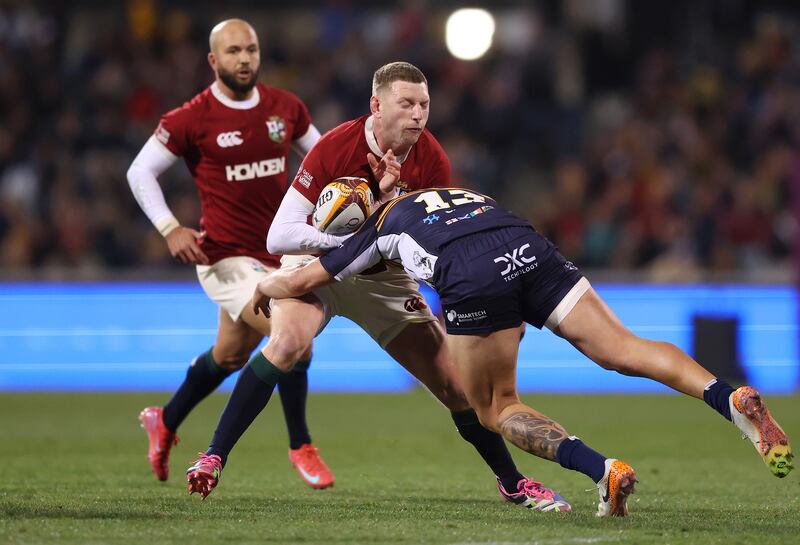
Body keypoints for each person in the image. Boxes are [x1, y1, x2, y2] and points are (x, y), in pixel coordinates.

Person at [247, 186, 794, 517]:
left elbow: (303, 281)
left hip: (471, 272)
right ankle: (727, 397)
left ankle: (602, 470)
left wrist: (265, 285)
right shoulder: (444, 191)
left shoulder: (374, 228)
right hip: (523, 241)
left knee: (493, 407)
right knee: (622, 348)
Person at [184, 62, 571, 513]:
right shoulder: (336, 146)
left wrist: (388, 211)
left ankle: (513, 483)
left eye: (424, 105)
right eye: (406, 104)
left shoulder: (432, 159)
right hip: (316, 265)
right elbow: (279, 235)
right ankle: (213, 455)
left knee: (455, 389)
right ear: (377, 105)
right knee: (287, 342)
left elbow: (433, 244)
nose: (417, 115)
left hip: (383, 277)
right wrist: (346, 240)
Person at [126, 19, 335, 489]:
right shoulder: (190, 118)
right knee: (295, 335)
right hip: (223, 259)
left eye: (252, 50)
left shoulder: (286, 108)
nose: (244, 59)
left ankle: (166, 419)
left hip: (278, 256)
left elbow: (324, 159)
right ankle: (301, 444)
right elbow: (140, 173)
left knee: (229, 354)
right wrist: (169, 227)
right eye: (234, 51)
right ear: (213, 60)